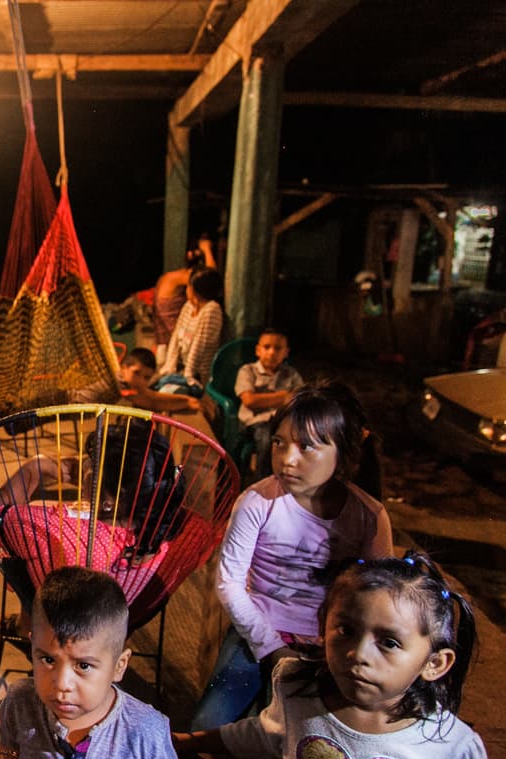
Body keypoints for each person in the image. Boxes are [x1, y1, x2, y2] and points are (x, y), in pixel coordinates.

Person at [175, 553, 489, 759]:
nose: (359, 654)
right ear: (323, 627)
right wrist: (190, 742)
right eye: (346, 630)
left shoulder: (452, 748)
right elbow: (267, 732)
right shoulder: (300, 694)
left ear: (434, 663)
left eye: (389, 642)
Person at [189, 381, 394, 731]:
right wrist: (271, 647)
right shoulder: (257, 502)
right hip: (258, 632)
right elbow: (229, 583)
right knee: (207, 727)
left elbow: (377, 598)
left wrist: (336, 647)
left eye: (307, 446)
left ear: (342, 453)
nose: (287, 459)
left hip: (332, 646)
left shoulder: (369, 516)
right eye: (279, 442)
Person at [0, 567, 179, 759]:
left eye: (84, 665)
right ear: (32, 644)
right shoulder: (20, 703)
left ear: (119, 666)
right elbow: (9, 747)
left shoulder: (144, 729)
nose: (62, 684)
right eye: (47, 659)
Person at [0, 419, 186, 607]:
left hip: (59, 616)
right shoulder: (156, 534)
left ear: (109, 502)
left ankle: (25, 625)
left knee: (16, 562)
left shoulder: (55, 531)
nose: (84, 465)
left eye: (91, 466)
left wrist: (35, 467)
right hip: (114, 620)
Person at [235, 329, 304, 479]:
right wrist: (283, 397)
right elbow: (250, 401)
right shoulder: (248, 371)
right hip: (254, 421)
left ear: (286, 352)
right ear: (258, 350)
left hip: (283, 421)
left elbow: (300, 398)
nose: (272, 353)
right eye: (267, 347)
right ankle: (262, 481)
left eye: (278, 348)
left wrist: (265, 399)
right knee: (268, 440)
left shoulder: (291, 374)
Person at [156, 267, 224, 396]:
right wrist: (169, 366)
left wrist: (188, 375)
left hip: (197, 374)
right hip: (181, 368)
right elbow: (176, 336)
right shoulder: (188, 306)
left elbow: (199, 345)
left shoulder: (211, 310)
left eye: (188, 286)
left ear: (194, 289)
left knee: (167, 392)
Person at [152, 237, 215, 359]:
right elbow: (210, 277)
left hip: (170, 346)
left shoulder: (174, 278)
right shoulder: (174, 278)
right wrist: (207, 249)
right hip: (169, 348)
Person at [119, 347, 201, 414]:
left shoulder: (134, 388)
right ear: (123, 368)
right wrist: (188, 402)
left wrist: (189, 401)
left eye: (146, 378)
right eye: (136, 373)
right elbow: (153, 402)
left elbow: (152, 396)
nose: (141, 381)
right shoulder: (120, 385)